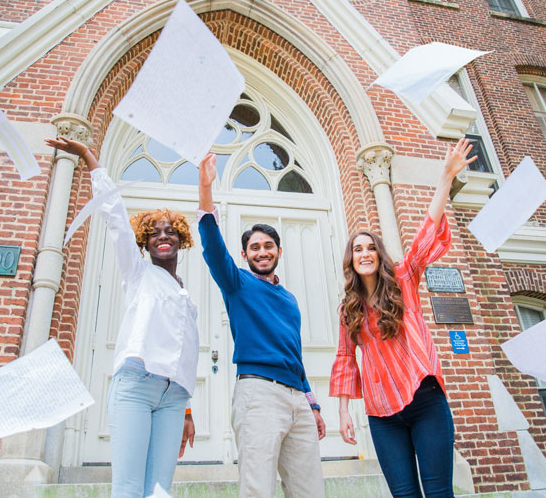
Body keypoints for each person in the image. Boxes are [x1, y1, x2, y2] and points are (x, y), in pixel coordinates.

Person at [45, 136, 198, 498]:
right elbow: (113, 213)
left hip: (174, 397)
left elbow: (182, 353)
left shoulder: (185, 294)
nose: (163, 236)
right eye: (154, 233)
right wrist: (88, 157)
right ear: (143, 243)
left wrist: (188, 411)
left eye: (171, 231)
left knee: (160, 489)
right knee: (128, 488)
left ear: (182, 240)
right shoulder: (138, 273)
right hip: (135, 387)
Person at [330, 138, 477, 498]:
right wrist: (344, 411)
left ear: (379, 255)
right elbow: (346, 359)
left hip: (424, 400)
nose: (364, 253)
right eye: (357, 249)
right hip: (382, 415)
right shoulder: (348, 308)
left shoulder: (404, 281)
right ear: (350, 260)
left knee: (439, 492)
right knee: (404, 495)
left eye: (370, 248)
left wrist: (444, 177)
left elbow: (427, 234)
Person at [197, 153, 326, 498]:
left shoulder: (290, 300)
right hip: (258, 394)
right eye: (255, 247)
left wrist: (312, 404)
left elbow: (295, 357)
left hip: (297, 398)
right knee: (258, 489)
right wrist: (206, 188)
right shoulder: (237, 283)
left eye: (268, 246)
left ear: (279, 252)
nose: (262, 251)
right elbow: (212, 247)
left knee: (309, 489)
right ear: (245, 255)